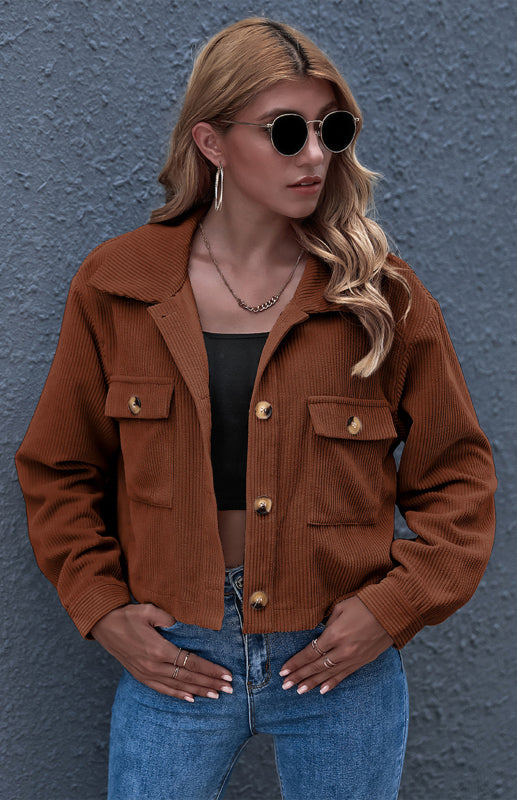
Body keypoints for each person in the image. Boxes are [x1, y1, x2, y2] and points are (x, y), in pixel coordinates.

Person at [15, 17, 497, 800]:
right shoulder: (118, 285)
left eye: (330, 129)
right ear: (211, 142)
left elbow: (459, 480)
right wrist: (102, 609)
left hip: (337, 662)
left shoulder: (381, 296)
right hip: (177, 655)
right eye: (285, 131)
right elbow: (57, 470)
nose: (315, 155)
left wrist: (392, 608)